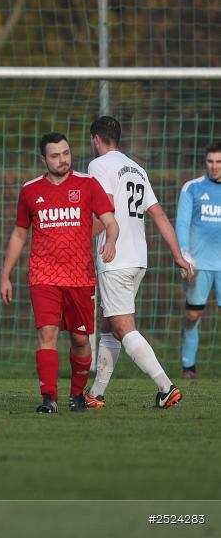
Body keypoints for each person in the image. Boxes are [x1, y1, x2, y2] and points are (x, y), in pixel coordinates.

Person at [0, 132, 118, 414]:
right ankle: (48, 398)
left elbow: (110, 222)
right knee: (47, 333)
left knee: (80, 339)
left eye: (66, 153)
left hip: (80, 277)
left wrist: (111, 240)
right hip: (44, 276)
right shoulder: (30, 190)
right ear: (44, 159)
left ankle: (77, 395)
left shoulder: (88, 185)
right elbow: (19, 233)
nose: (62, 159)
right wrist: (5, 274)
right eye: (55, 155)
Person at [84, 116, 190, 409]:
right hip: (139, 259)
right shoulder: (137, 169)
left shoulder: (99, 165)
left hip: (114, 256)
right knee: (110, 324)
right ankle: (96, 394)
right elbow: (158, 215)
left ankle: (166, 387)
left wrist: (79, 242)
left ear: (96, 139)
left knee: (123, 327)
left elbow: (104, 209)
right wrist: (177, 255)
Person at [176, 141, 221, 379]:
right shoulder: (191, 188)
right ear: (205, 162)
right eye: (210, 161)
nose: (214, 167)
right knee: (193, 316)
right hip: (199, 265)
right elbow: (182, 223)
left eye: (219, 162)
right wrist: (185, 254)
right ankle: (188, 367)